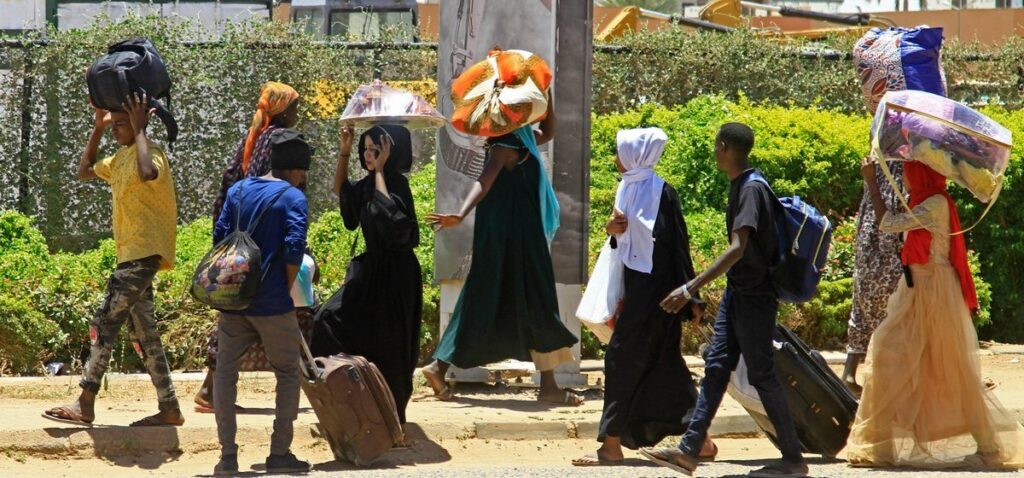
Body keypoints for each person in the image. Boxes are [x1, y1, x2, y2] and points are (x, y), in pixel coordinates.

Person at [641, 123, 808, 478]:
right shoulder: (744, 185)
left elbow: (738, 248)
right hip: (739, 294)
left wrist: (690, 287)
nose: (714, 151)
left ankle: (793, 459)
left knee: (762, 374)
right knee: (716, 367)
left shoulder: (750, 189)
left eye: (716, 147)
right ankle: (688, 451)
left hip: (754, 297)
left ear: (723, 147)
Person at [845, 159, 1024, 468]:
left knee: (952, 371)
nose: (909, 177)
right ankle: (879, 447)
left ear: (923, 174)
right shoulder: (923, 199)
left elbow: (888, 223)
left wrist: (872, 182)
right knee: (890, 357)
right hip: (917, 288)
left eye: (912, 171)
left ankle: (989, 447)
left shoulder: (936, 203)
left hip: (934, 292)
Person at [572, 128, 715, 466]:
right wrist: (612, 231)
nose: (616, 160)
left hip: (660, 298)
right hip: (637, 292)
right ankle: (702, 441)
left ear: (636, 155)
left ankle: (611, 445)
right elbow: (622, 244)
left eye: (620, 153)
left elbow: (677, 247)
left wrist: (691, 297)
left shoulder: (663, 193)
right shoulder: (628, 188)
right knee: (665, 366)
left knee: (621, 361)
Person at [423, 101, 582, 406]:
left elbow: (548, 131)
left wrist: (547, 100)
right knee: (537, 299)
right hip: (516, 239)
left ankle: (438, 367)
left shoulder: (521, 139)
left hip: (510, 236)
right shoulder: (505, 145)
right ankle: (548, 387)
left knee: (484, 298)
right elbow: (485, 180)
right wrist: (460, 212)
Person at [42, 94, 183, 428]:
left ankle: (85, 402)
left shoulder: (151, 154)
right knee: (145, 333)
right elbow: (84, 170)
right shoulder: (119, 159)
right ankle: (170, 407)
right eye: (116, 125)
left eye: (122, 124)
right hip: (129, 255)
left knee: (104, 322)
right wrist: (97, 128)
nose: (117, 130)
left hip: (144, 253)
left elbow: (148, 171)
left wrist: (139, 131)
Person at [211, 128, 312, 476]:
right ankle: (279, 454)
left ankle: (227, 458)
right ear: (296, 169)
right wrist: (281, 289)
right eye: (303, 172)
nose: (302, 178)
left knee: (225, 374)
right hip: (272, 303)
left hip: (234, 300)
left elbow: (220, 237)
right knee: (287, 373)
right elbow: (294, 249)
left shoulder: (239, 189)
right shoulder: (293, 197)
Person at [196, 81, 301, 412]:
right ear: (282, 110)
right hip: (263, 242)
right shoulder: (276, 140)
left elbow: (231, 185)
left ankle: (212, 390)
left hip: (240, 240)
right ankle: (213, 391)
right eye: (295, 107)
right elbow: (270, 189)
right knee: (262, 312)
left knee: (239, 312)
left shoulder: (254, 138)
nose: (299, 113)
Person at [310, 123, 423, 426]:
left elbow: (396, 224)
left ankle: (393, 418)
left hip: (397, 278)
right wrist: (345, 150)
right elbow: (342, 193)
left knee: (390, 346)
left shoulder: (397, 185)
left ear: (391, 152)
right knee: (327, 320)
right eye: (366, 149)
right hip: (370, 273)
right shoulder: (367, 184)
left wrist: (382, 173)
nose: (369, 154)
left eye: (377, 149)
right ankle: (351, 402)